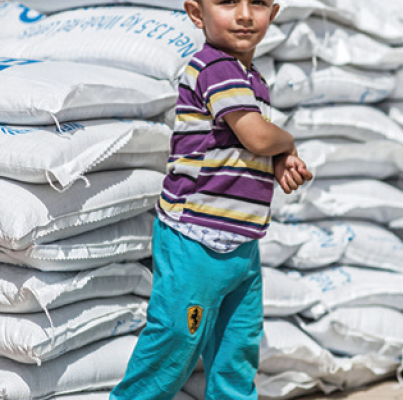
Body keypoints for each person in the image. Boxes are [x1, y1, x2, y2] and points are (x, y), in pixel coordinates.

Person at [110, 0, 312, 398]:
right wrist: (285, 141)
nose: (243, 14)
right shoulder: (215, 67)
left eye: (257, 3)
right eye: (225, 2)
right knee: (174, 340)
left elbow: (242, 148)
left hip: (240, 242)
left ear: (272, 14)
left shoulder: (252, 80)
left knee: (237, 347)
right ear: (196, 13)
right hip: (196, 238)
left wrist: (275, 161)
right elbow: (256, 136)